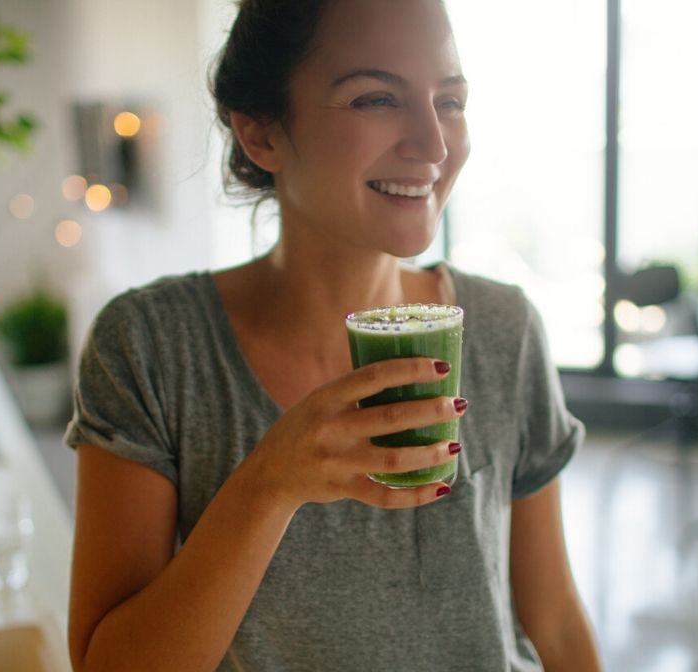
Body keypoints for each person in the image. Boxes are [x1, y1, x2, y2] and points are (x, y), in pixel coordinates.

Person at [64, 0, 603, 669]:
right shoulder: (150, 347)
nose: (433, 145)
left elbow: (551, 617)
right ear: (261, 134)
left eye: (450, 100)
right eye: (377, 98)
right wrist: (268, 485)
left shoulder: (502, 327)